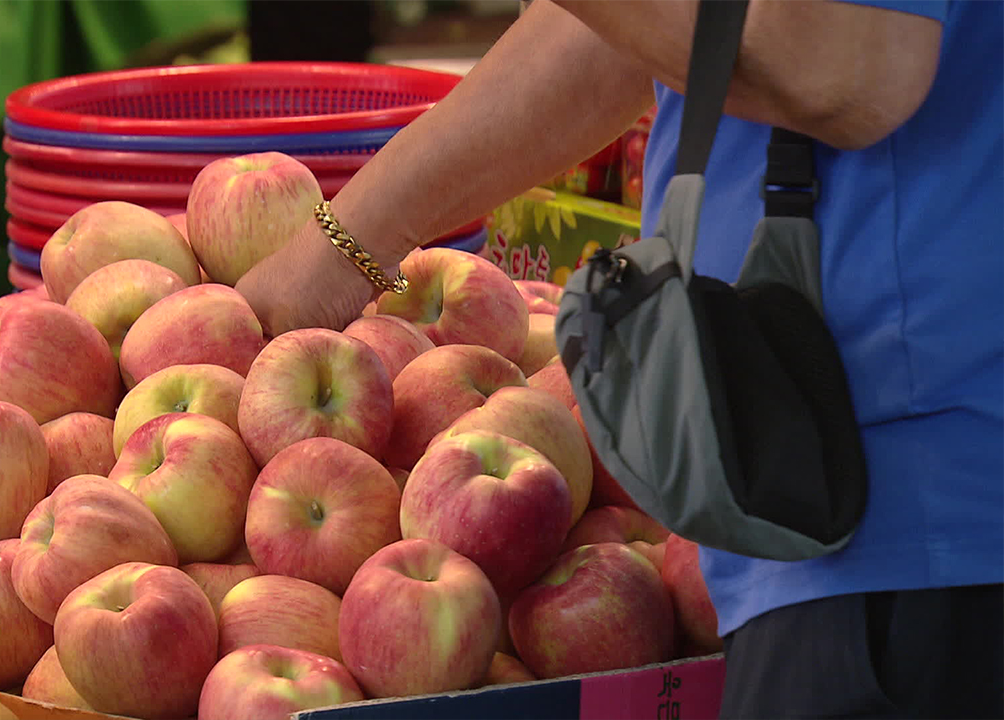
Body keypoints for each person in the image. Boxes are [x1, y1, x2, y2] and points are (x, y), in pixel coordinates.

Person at [235, 0, 1004, 717]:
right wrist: (346, 246)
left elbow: (853, 60)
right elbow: (646, 32)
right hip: (804, 480)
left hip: (915, 522)